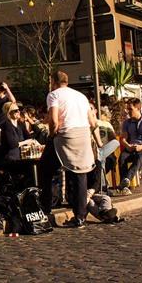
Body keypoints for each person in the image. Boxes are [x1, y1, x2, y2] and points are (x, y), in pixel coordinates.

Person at [40, 70, 96, 229]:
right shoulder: (81, 96)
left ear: (54, 81)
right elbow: (92, 122)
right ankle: (80, 217)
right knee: (80, 172)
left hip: (64, 136)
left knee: (45, 168)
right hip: (83, 134)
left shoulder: (54, 95)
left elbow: (53, 121)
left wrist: (51, 134)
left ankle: (46, 209)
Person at [116, 98, 142, 195]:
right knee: (122, 157)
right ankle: (125, 187)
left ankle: (125, 182)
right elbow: (123, 139)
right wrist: (128, 145)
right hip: (132, 148)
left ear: (138, 108)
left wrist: (141, 147)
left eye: (130, 109)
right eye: (127, 109)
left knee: (139, 157)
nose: (128, 112)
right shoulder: (126, 123)